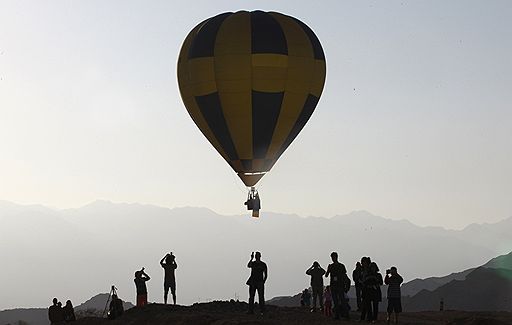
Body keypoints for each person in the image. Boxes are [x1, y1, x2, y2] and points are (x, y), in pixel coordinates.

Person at [325, 252, 348, 320]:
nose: (333, 258)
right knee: (336, 301)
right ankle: (338, 315)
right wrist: (328, 269)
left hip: (339, 285)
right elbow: (326, 275)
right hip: (334, 285)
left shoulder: (341, 266)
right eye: (332, 257)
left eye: (333, 257)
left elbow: (344, 275)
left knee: (342, 300)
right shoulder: (332, 266)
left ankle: (345, 314)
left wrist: (345, 284)